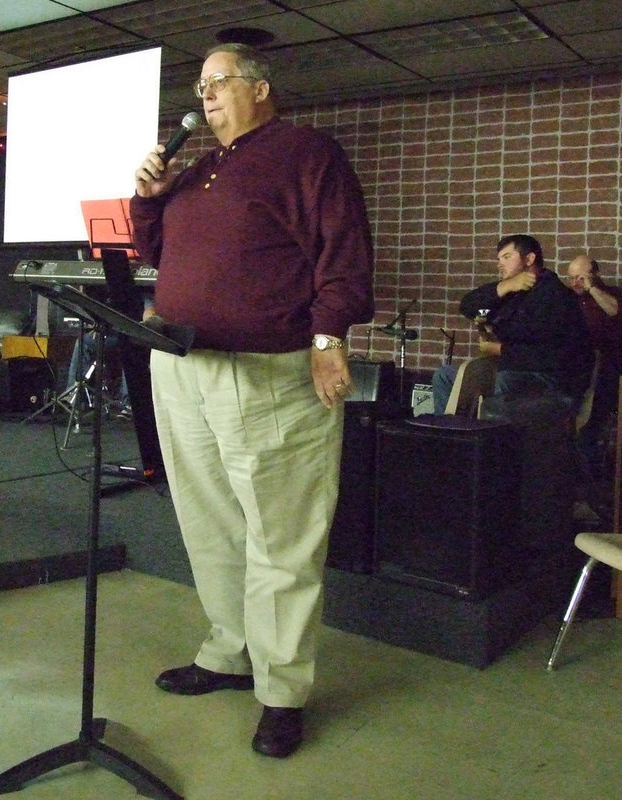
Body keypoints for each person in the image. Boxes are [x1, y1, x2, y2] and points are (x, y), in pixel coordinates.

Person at [130, 42, 374, 758]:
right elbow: (156, 256)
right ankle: (230, 652)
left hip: (266, 373)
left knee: (282, 538)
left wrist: (329, 339)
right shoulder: (202, 167)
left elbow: (344, 253)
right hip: (182, 368)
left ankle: (282, 690)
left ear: (260, 88)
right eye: (200, 84)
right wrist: (150, 198)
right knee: (209, 525)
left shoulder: (307, 153)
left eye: (218, 81)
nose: (204, 94)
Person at [432, 234, 594, 414]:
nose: (500, 264)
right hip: (512, 368)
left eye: (507, 257)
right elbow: (468, 306)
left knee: (503, 380)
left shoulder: (555, 296)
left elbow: (553, 355)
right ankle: (449, 436)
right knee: (445, 376)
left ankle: (489, 439)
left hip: (552, 378)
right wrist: (504, 287)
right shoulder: (513, 289)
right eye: (499, 259)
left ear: (529, 259)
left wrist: (500, 349)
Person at [565, 254, 622, 517]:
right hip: (574, 372)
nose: (575, 282)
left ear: (594, 273)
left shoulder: (609, 294)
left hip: (607, 372)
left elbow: (613, 310)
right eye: (571, 277)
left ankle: (595, 499)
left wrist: (592, 288)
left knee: (592, 430)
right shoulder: (566, 301)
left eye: (581, 276)